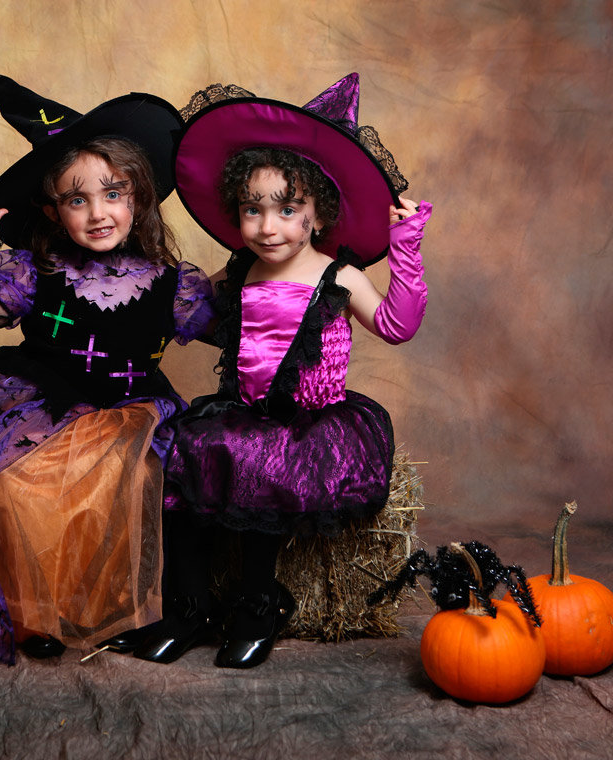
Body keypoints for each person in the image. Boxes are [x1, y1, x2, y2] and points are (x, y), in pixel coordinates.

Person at [130, 73, 432, 669]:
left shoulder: (339, 276)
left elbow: (397, 325)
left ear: (318, 214)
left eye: (288, 210)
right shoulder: (242, 269)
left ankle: (257, 606)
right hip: (242, 410)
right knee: (183, 459)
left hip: (307, 423)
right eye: (253, 210)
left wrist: (406, 247)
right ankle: (189, 607)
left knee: (260, 468)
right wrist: (137, 287)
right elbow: (191, 312)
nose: (268, 227)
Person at [0, 74, 213, 665]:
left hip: (129, 409)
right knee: (13, 490)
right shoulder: (38, 269)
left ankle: (109, 610)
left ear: (138, 198)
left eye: (113, 194)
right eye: (78, 200)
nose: (98, 213)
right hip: (45, 404)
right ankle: (35, 614)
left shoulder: (171, 283)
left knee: (124, 482)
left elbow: (234, 325)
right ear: (54, 212)